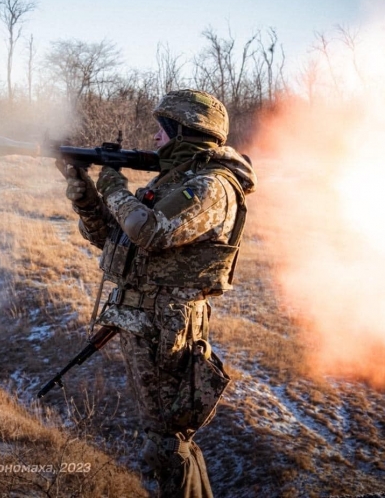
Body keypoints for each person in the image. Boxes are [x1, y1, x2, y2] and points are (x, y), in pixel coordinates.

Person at [58, 89, 256, 497]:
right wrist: (88, 199)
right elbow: (116, 240)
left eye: (162, 130)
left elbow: (149, 232)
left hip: (167, 329)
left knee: (166, 444)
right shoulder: (172, 182)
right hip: (145, 323)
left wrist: (112, 181)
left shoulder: (211, 187)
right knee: (164, 438)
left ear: (186, 132)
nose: (153, 138)